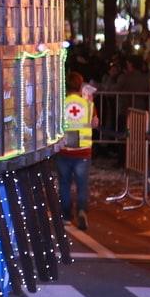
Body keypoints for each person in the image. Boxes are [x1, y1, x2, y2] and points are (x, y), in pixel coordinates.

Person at [56, 72, 96, 230]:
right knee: (82, 185)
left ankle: (65, 216)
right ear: (80, 86)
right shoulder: (88, 105)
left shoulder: (61, 104)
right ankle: (81, 210)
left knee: (64, 184)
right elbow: (94, 123)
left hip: (65, 149)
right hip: (83, 151)